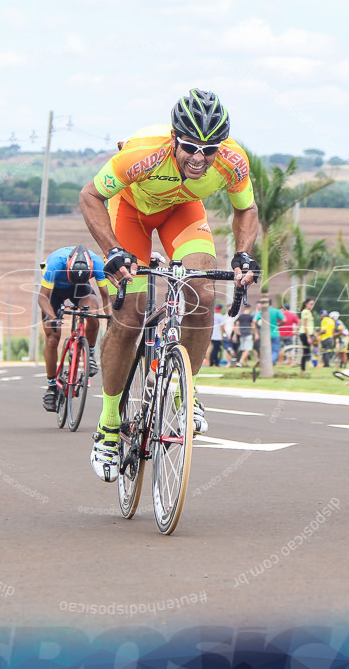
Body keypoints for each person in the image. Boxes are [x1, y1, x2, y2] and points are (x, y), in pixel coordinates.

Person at [79, 88, 259, 481]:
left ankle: (185, 391)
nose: (199, 157)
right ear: (176, 138)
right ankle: (109, 425)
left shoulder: (232, 162)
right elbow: (89, 196)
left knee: (203, 294)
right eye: (191, 146)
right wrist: (112, 250)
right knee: (129, 316)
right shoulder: (143, 152)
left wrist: (243, 254)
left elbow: (246, 209)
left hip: (182, 212)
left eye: (208, 149)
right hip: (131, 212)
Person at [38, 244, 111, 412]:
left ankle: (89, 354)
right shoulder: (56, 263)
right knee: (52, 337)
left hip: (80, 289)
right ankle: (51, 386)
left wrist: (110, 320)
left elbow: (106, 296)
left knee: (93, 313)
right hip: (54, 291)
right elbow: (42, 298)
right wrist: (53, 317)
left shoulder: (98, 263)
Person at [254, 297, 284, 365]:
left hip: (264, 334)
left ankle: (265, 362)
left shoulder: (262, 311)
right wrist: (278, 325)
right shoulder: (276, 311)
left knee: (264, 350)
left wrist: (259, 326)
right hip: (274, 334)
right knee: (275, 351)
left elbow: (254, 320)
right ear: (271, 303)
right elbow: (284, 320)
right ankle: (270, 361)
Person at [297, 298, 316, 375]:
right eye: (310, 304)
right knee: (306, 352)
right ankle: (303, 369)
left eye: (313, 304)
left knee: (307, 352)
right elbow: (305, 325)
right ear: (306, 304)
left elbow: (310, 325)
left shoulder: (309, 312)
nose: (312, 306)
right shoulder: (305, 312)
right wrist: (308, 337)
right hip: (304, 334)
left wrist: (314, 334)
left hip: (308, 333)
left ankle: (304, 368)